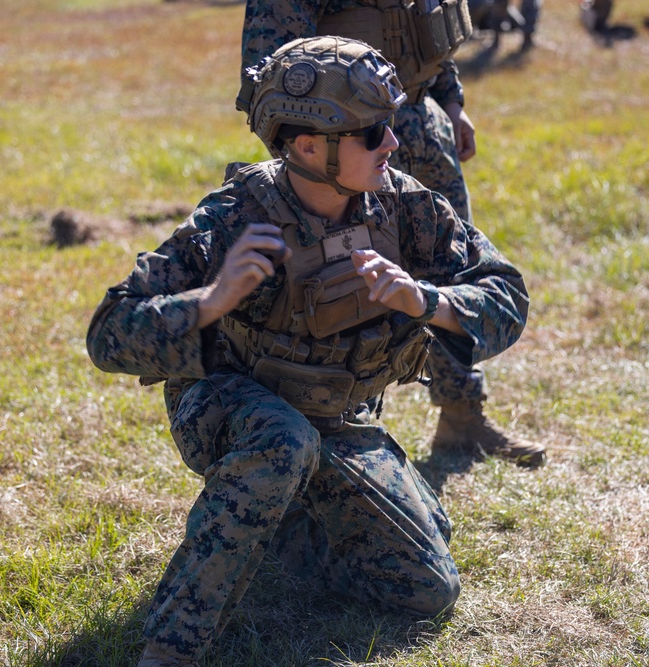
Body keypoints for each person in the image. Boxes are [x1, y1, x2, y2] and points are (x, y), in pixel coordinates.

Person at [87, 37, 530, 667]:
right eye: (374, 132)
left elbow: (506, 295)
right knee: (281, 443)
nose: (394, 143)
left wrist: (425, 301)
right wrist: (210, 300)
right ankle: (169, 647)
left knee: (425, 590)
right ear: (306, 146)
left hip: (337, 419)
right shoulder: (236, 218)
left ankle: (286, 523)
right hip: (233, 410)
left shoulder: (404, 205)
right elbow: (108, 334)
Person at [239, 0, 547, 466]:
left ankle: (462, 413)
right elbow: (273, 76)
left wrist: (450, 101)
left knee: (450, 274)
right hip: (348, 148)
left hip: (421, 124)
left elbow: (429, 24)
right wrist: (315, 173)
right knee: (344, 290)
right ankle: (338, 438)